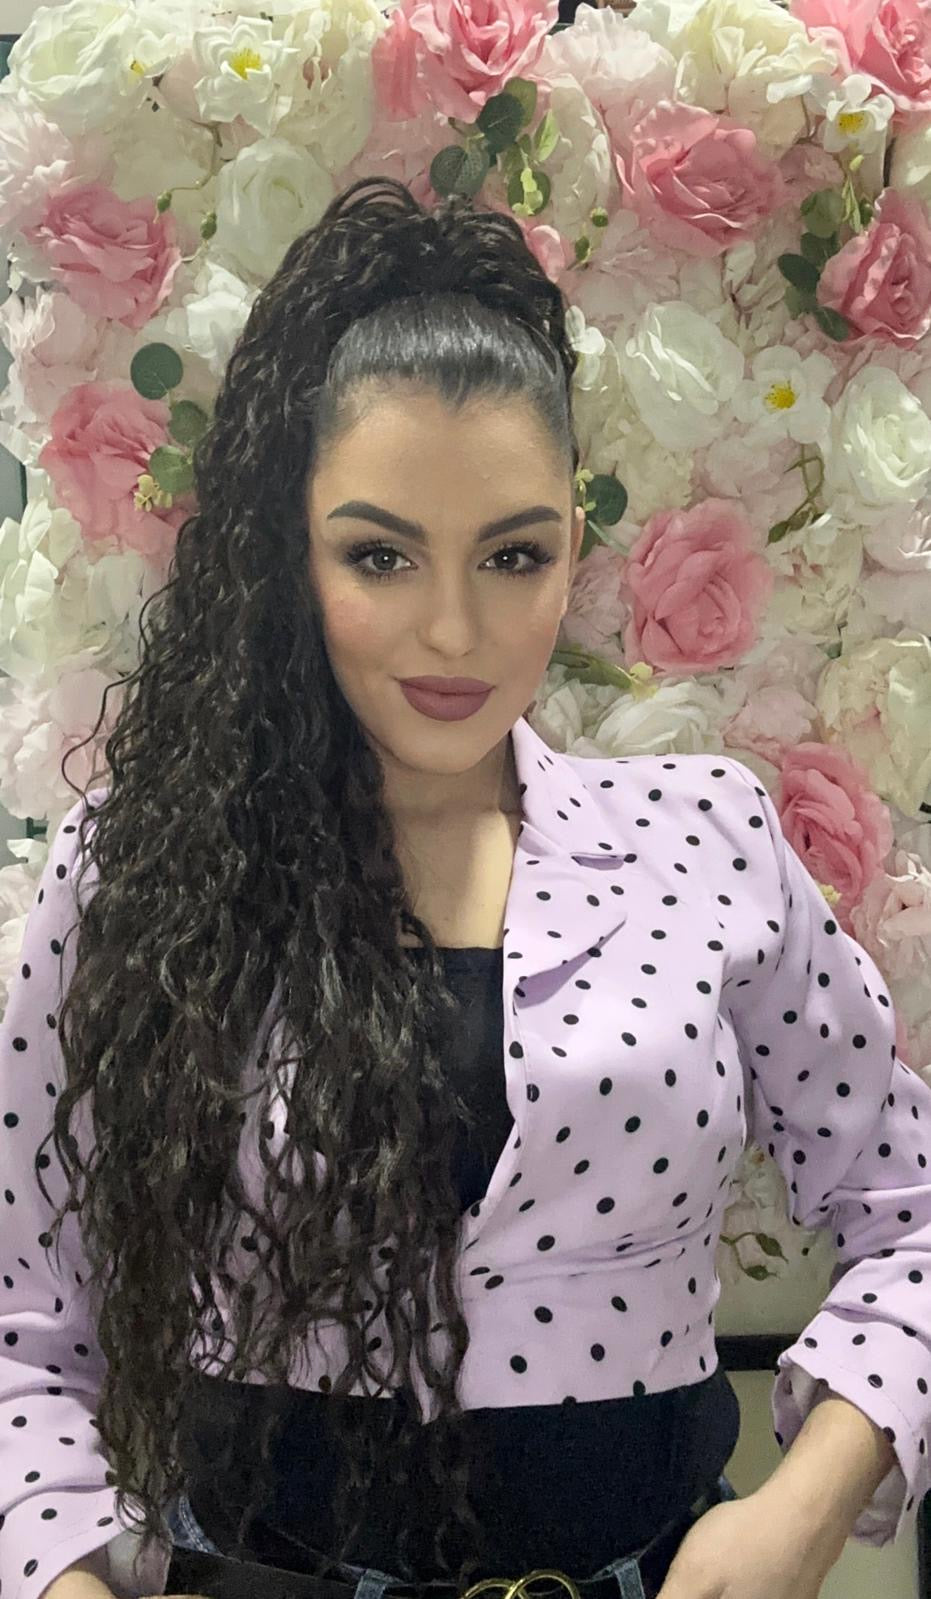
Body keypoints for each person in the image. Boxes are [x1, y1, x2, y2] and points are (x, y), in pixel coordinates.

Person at [1, 176, 929, 1599]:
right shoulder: (138, 870)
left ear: (573, 552)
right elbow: (21, 1314)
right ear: (290, 551)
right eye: (379, 555)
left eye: (512, 556)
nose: (452, 629)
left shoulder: (705, 841)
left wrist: (806, 1507)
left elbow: (911, 1207)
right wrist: (63, 1580)